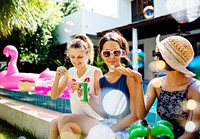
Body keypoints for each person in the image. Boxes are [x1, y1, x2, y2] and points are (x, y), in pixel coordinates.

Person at [49, 30, 143, 139]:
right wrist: (85, 94)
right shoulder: (102, 79)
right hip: (103, 122)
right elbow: (105, 110)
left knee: (64, 119)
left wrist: (110, 129)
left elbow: (135, 115)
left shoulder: (103, 73)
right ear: (102, 54)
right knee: (57, 123)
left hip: (102, 121)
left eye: (116, 52)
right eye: (107, 53)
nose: (111, 57)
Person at [135, 35, 200, 139]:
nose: (155, 58)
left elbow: (190, 134)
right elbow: (140, 114)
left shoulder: (194, 88)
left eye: (158, 54)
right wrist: (138, 83)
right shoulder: (155, 84)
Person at [49, 33, 103, 139]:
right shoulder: (71, 72)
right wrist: (57, 77)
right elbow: (54, 96)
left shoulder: (95, 72)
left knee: (64, 119)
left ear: (87, 54)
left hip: (96, 121)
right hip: (78, 118)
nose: (76, 61)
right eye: (73, 57)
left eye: (80, 57)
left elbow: (102, 103)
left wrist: (84, 90)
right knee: (54, 123)